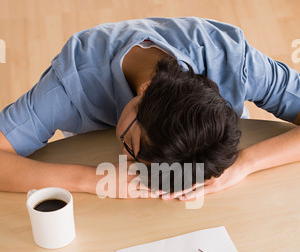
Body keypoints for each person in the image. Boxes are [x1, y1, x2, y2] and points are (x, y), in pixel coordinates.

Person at [0, 17, 299, 200]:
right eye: (131, 148)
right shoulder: (71, 83)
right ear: (146, 91)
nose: (140, 171)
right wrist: (91, 179)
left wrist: (245, 163)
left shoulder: (232, 59)